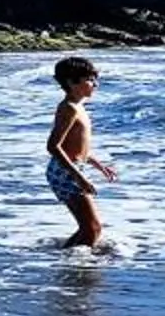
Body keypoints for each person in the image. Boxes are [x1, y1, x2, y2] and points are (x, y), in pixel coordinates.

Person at [46, 55, 119, 250]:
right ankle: (75, 265)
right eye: (90, 80)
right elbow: (53, 146)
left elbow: (77, 146)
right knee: (92, 228)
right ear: (71, 82)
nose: (95, 85)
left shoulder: (78, 107)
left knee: (88, 228)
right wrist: (79, 177)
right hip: (65, 172)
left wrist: (97, 164)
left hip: (71, 169)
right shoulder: (68, 109)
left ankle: (66, 256)